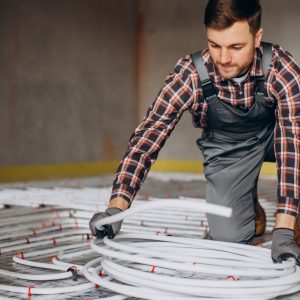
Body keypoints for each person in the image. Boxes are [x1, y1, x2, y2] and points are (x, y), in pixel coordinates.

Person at [90, 0, 300, 264]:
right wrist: (116, 208)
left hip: (277, 137)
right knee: (227, 239)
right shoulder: (191, 73)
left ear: (257, 37)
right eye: (215, 45)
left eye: (236, 47)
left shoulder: (281, 68)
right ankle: (247, 202)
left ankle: (294, 216)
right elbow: (148, 136)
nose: (223, 58)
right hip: (229, 150)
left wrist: (284, 229)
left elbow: (292, 143)